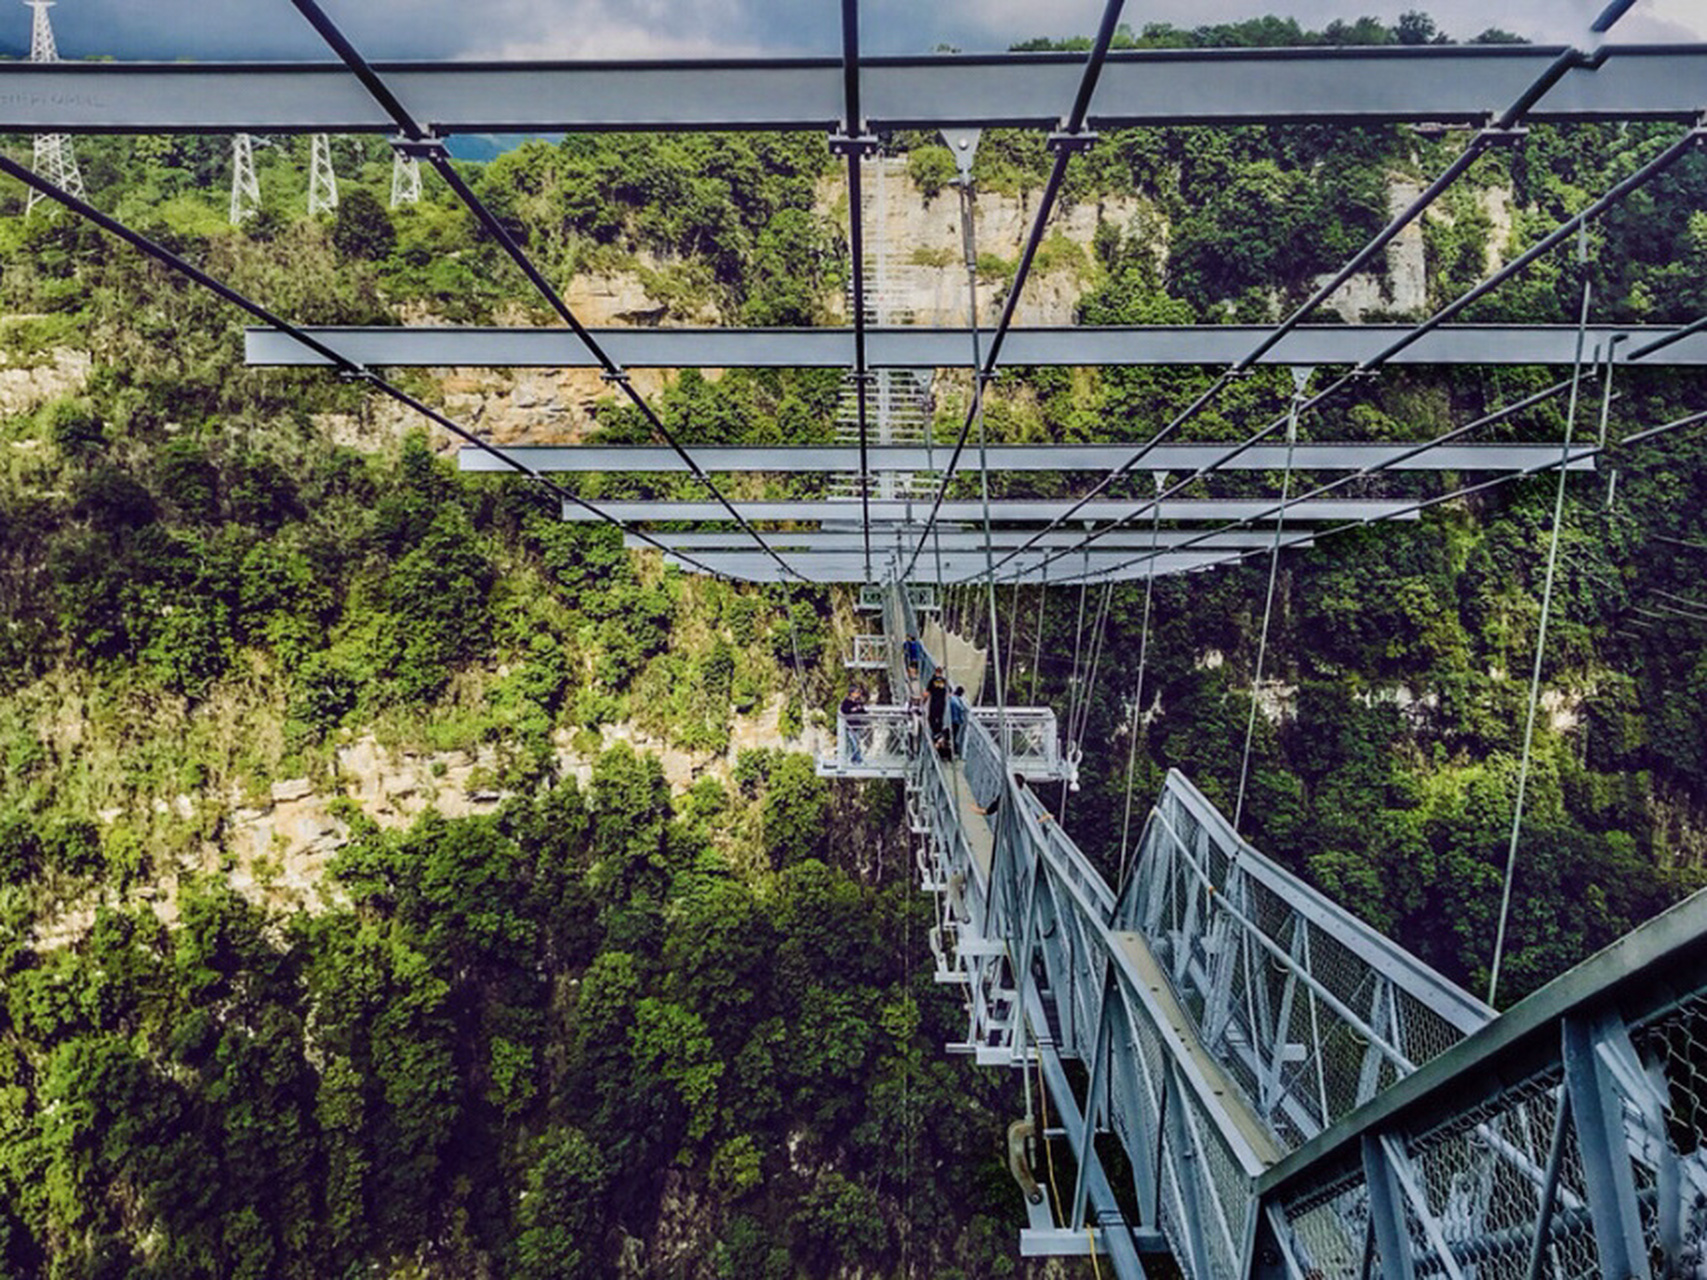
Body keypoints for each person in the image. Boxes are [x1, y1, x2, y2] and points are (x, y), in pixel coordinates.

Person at [974, 773, 1050, 823]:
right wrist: (1043, 818)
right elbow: (1029, 821)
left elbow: (996, 804)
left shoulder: (1007, 795)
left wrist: (985, 811)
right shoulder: (1023, 800)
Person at [840, 683, 867, 764]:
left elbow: (863, 711)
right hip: (850, 726)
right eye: (857, 692)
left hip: (857, 725)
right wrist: (853, 709)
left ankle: (856, 759)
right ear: (852, 693)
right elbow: (844, 710)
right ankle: (856, 760)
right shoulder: (847, 702)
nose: (858, 694)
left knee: (857, 743)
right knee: (853, 744)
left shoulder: (858, 702)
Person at [926, 670, 948, 744]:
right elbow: (948, 692)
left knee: (931, 717)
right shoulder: (944, 681)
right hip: (942, 703)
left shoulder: (932, 681)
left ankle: (934, 732)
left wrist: (922, 702)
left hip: (934, 702)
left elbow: (927, 693)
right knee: (940, 718)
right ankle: (938, 732)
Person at [948, 684, 969, 758]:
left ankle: (953, 749)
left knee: (953, 735)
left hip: (954, 720)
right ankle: (953, 751)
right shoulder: (955, 700)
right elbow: (960, 708)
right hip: (955, 720)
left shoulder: (953, 698)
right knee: (954, 735)